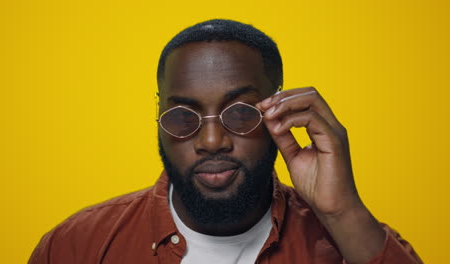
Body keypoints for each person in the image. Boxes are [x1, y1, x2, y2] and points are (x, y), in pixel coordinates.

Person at [29, 19, 422, 264]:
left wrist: (341, 213)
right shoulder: (76, 247)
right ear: (159, 119)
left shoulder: (351, 242)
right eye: (184, 116)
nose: (212, 140)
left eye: (240, 113)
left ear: (279, 115)